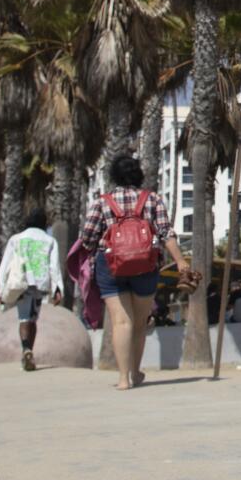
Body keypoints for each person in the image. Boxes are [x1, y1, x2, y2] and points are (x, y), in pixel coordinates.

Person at [80, 154, 192, 391]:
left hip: (110, 265)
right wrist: (180, 261)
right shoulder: (151, 200)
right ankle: (135, 371)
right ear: (138, 175)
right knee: (140, 322)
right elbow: (166, 233)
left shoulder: (103, 202)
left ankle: (122, 379)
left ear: (114, 177)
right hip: (145, 265)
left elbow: (88, 238)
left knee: (121, 322)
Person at [0, 209, 64, 372]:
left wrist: (1, 288)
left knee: (24, 318)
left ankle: (26, 349)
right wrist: (57, 288)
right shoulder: (50, 241)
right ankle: (28, 351)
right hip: (40, 284)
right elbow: (54, 266)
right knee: (33, 318)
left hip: (21, 282)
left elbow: (4, 265)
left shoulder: (16, 239)